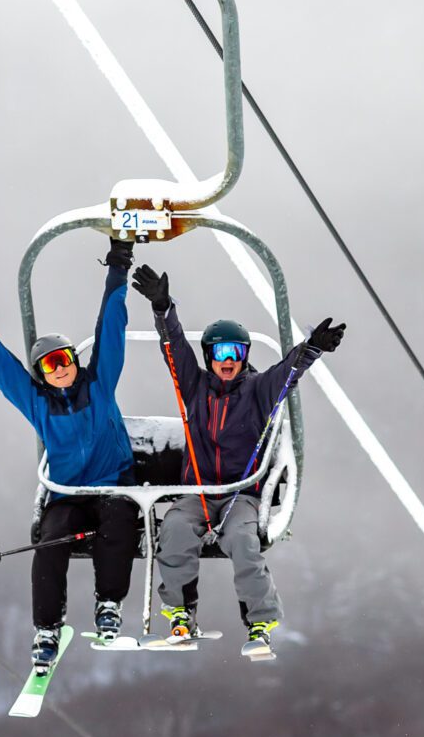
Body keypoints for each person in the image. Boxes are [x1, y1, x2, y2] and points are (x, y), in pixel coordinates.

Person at [0, 241, 142, 671]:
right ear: (42, 375)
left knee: (119, 523)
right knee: (51, 538)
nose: (60, 368)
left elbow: (111, 328)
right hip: (66, 494)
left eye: (64, 359)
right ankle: (47, 627)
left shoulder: (99, 384)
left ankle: (109, 604)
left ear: (75, 360)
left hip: (112, 486)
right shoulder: (38, 404)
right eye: (49, 366)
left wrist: (118, 268)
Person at [129, 261, 344, 655]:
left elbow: (286, 374)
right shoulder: (194, 388)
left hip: (241, 495)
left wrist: (311, 349)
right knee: (174, 530)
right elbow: (173, 349)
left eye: (236, 352)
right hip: (198, 493)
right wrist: (163, 308)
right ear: (209, 356)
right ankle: (180, 614)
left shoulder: (257, 391)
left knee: (245, 542)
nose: (228, 360)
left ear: (244, 356)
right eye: (220, 352)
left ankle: (260, 621)